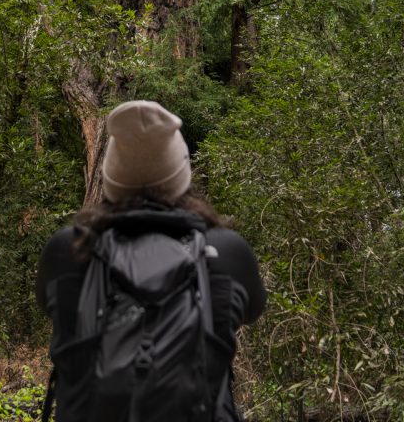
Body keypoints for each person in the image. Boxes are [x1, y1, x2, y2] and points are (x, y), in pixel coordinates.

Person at [36, 100, 266, 422]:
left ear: (109, 177)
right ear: (182, 173)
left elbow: (48, 306)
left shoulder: (67, 249)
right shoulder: (227, 252)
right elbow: (253, 309)